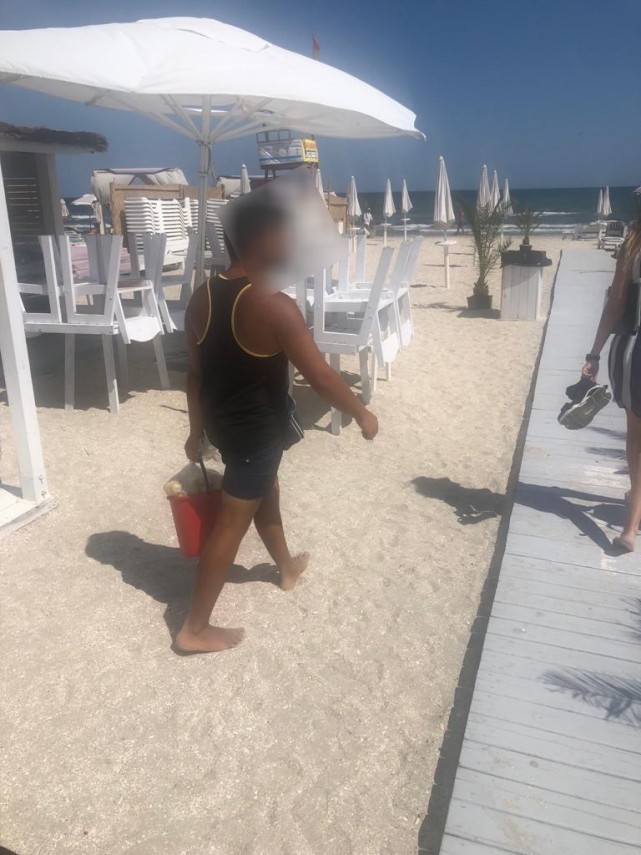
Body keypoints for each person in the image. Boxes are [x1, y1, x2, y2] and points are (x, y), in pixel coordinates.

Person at [176, 201, 379, 654]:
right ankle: (194, 628)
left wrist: (195, 431)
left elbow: (194, 375)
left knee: (266, 489)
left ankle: (285, 568)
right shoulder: (273, 304)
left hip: (225, 427)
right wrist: (362, 413)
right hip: (256, 433)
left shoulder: (200, 297)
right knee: (230, 525)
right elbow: (321, 377)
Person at [582, 221, 641, 551]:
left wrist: (594, 353)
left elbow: (617, 302)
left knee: (636, 436)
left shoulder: (634, 242)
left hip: (635, 347)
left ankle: (630, 527)